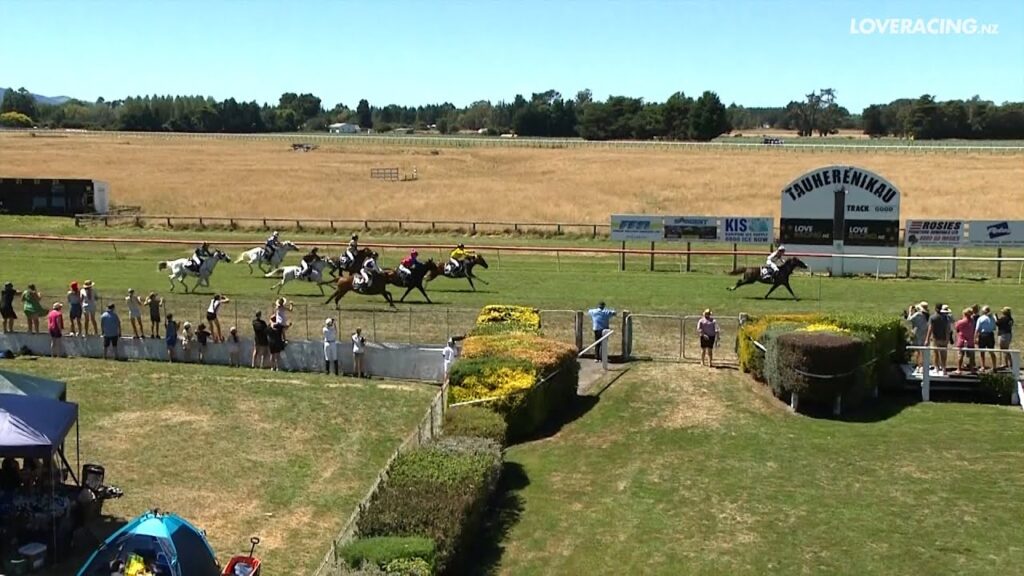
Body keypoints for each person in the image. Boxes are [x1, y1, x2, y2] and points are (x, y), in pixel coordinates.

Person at [924, 304, 952, 375]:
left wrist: (927, 339)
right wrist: (947, 338)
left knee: (936, 354)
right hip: (944, 338)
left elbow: (930, 328)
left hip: (935, 338)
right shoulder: (946, 317)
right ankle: (944, 369)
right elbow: (947, 329)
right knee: (943, 354)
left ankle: (936, 368)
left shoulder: (933, 317)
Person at [907, 302, 930, 373]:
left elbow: (909, 319)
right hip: (924, 333)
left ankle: (919, 365)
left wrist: (910, 311)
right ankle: (922, 365)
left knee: (918, 350)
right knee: (923, 350)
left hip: (918, 333)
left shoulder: (918, 314)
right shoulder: (926, 314)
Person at [975, 305, 997, 372]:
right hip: (990, 335)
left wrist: (975, 338)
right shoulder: (993, 318)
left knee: (982, 352)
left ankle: (983, 366)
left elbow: (977, 329)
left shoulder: (981, 318)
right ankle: (994, 367)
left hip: (983, 335)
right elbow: (994, 328)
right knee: (991, 351)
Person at [954, 307, 976, 375]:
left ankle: (959, 369)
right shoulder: (973, 321)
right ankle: (972, 369)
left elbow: (956, 328)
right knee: (971, 355)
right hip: (970, 340)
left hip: (962, 340)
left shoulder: (961, 322)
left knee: (960, 355)